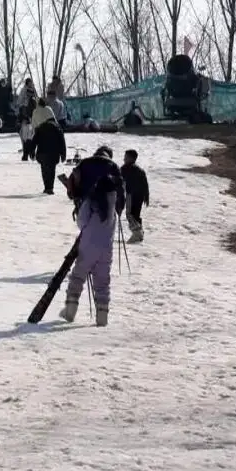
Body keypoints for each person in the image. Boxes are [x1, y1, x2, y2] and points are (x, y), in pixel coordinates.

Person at [60, 146, 123, 326]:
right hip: (107, 247)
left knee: (78, 275)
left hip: (88, 243)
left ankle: (70, 310)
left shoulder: (91, 200)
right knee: (102, 280)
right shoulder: (112, 209)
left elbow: (82, 221)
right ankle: (102, 316)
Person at [31, 102, 66, 194]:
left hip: (42, 153)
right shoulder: (57, 127)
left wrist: (31, 152)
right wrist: (63, 154)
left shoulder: (41, 127)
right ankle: (50, 188)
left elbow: (34, 140)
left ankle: (47, 187)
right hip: (54, 154)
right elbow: (62, 142)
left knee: (44, 170)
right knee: (51, 170)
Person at [121, 149, 150, 243]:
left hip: (131, 195)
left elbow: (119, 181)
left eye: (126, 157)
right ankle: (139, 233)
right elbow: (145, 184)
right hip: (140, 196)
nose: (124, 159)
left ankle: (137, 233)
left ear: (131, 158)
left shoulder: (125, 168)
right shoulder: (140, 170)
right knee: (135, 214)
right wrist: (146, 196)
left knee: (130, 214)